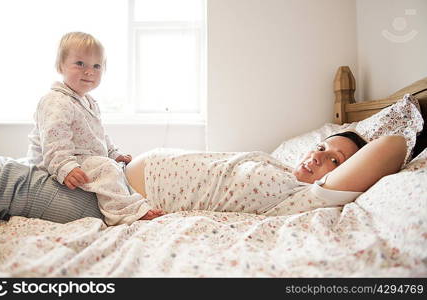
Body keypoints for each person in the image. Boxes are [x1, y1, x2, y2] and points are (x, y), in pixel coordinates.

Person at [26, 32, 158, 225]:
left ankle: (136, 204)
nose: (89, 71)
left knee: (117, 168)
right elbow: (54, 141)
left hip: (82, 157)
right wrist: (64, 166)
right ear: (60, 66)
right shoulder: (56, 101)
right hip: (54, 162)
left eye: (97, 66)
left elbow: (99, 135)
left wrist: (113, 153)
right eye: (80, 64)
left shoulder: (88, 101)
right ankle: (124, 214)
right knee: (107, 169)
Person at [124, 132, 407, 219]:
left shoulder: (309, 196)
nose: (317, 156)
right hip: (124, 175)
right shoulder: (284, 168)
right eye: (321, 147)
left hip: (129, 196)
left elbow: (395, 144)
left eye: (334, 159)